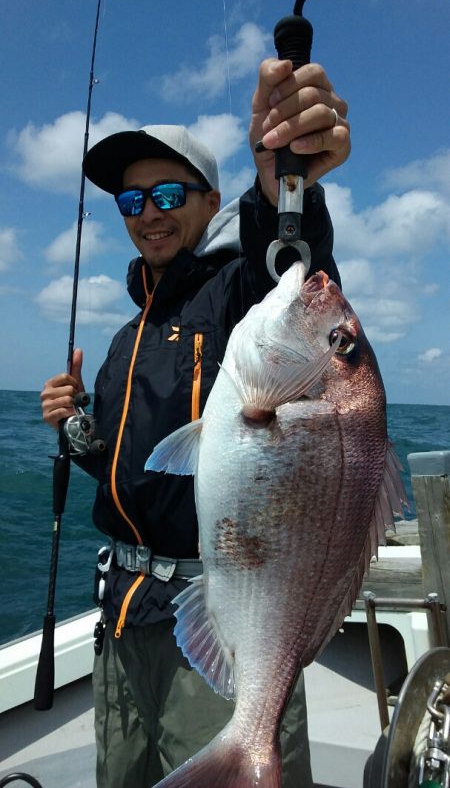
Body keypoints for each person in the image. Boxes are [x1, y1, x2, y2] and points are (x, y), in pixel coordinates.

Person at [41, 58, 350, 788]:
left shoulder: (237, 297)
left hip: (220, 619)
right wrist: (78, 427)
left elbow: (288, 256)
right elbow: (134, 466)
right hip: (123, 621)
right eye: (131, 198)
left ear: (211, 201)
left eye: (170, 193)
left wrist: (283, 179)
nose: (148, 211)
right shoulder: (125, 339)